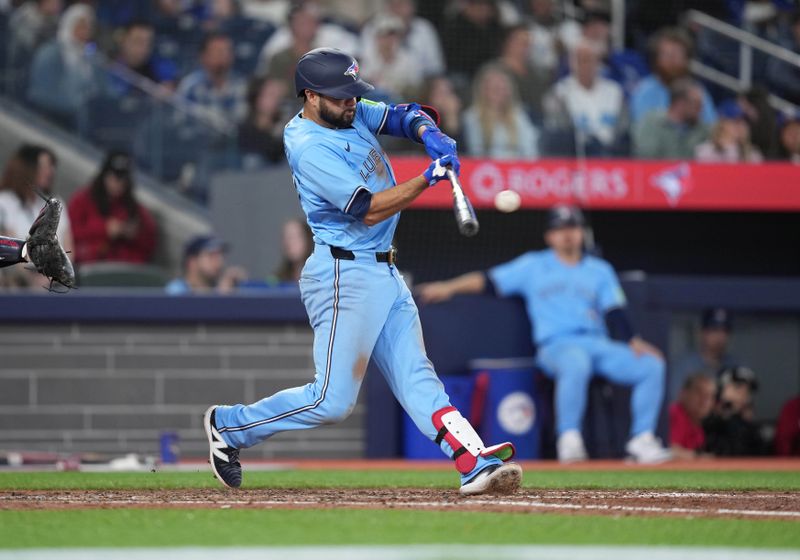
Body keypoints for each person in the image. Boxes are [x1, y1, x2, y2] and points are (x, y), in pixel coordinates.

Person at [203, 47, 522, 495]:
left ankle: (471, 459)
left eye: (353, 95)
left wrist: (429, 132)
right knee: (331, 402)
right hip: (342, 274)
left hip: (383, 269)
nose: (351, 103)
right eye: (340, 96)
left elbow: (401, 115)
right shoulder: (309, 146)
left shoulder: (346, 112)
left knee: (417, 375)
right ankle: (230, 427)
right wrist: (429, 177)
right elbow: (367, 210)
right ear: (310, 97)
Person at [417, 205, 671, 464]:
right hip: (557, 346)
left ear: (582, 232)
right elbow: (488, 281)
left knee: (651, 364)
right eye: (560, 229)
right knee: (576, 361)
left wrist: (634, 341)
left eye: (572, 227)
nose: (567, 234)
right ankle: (569, 438)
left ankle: (642, 439)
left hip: (597, 344)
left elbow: (615, 310)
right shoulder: (534, 265)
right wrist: (448, 287)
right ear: (550, 236)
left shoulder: (599, 269)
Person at [67, 151, 157, 265]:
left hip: (122, 271)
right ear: (104, 176)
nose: (119, 183)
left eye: (123, 179)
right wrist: (104, 228)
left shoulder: (134, 208)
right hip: (86, 269)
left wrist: (133, 234)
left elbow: (149, 244)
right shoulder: (81, 201)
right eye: (115, 177)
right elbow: (68, 233)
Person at [544, 39, 626, 156]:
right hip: (576, 156)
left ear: (598, 62)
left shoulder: (615, 91)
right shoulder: (560, 93)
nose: (586, 66)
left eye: (590, 60)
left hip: (612, 155)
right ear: (572, 63)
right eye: (581, 61)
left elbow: (623, 127)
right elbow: (559, 129)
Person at [27, 3, 98, 128]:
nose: (85, 32)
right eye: (81, 26)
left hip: (71, 122)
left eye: (88, 28)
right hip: (45, 117)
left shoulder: (87, 61)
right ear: (70, 24)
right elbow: (39, 92)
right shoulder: (51, 52)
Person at [630, 28, 717, 125]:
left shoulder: (697, 92)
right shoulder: (645, 90)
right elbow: (642, 129)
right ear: (656, 59)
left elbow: (710, 126)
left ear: (687, 59)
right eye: (667, 55)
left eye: (677, 55)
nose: (672, 61)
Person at [463, 64, 540, 159]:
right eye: (495, 89)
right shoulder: (472, 116)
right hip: (488, 169)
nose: (500, 93)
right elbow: (475, 153)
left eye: (503, 89)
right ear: (483, 90)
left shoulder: (518, 115)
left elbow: (530, 150)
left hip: (517, 169)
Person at [175, 32, 248, 131]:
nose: (224, 56)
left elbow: (244, 123)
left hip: (232, 144)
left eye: (228, 51)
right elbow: (181, 125)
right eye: (218, 51)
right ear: (204, 56)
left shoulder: (241, 85)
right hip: (199, 143)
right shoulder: (191, 86)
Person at [360, 0, 445, 79]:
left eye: (401, 5)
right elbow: (365, 65)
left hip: (418, 87)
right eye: (393, 5)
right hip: (378, 84)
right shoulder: (372, 28)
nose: (397, 10)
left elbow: (435, 69)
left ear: (412, 7)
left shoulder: (424, 29)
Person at [633, 78, 711, 159]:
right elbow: (645, 155)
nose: (701, 109)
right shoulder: (652, 123)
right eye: (697, 104)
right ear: (680, 103)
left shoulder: (703, 129)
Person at [670, 308, 737, 401]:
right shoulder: (684, 366)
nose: (720, 336)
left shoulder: (734, 365)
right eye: (714, 330)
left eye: (725, 331)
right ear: (702, 333)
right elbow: (675, 403)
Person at [703, 365, 766, 456]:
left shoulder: (751, 429)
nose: (743, 394)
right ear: (721, 389)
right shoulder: (705, 421)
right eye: (737, 387)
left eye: (748, 390)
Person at [359, 14, 423, 100]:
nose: (389, 40)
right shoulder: (368, 58)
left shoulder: (408, 59)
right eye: (384, 35)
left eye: (392, 35)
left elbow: (414, 86)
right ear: (377, 37)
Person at [441, 0, 506, 81]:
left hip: (488, 71)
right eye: (479, 7)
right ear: (469, 7)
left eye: (486, 7)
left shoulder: (494, 26)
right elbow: (453, 58)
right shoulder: (456, 26)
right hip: (462, 72)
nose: (483, 11)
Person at [496, 24, 550, 117]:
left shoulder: (534, 72)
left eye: (528, 44)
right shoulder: (495, 70)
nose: (526, 48)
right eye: (522, 43)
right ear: (508, 43)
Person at [165, 235, 247, 294]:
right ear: (192, 262)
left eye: (221, 256)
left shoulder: (220, 288)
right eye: (211, 255)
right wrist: (221, 296)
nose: (220, 261)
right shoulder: (176, 290)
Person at [238, 76, 290, 168]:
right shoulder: (245, 132)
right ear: (257, 99)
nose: (277, 99)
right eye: (271, 95)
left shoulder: (286, 129)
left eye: (278, 96)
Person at [695, 100, 763, 163]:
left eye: (743, 121)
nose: (740, 126)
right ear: (722, 123)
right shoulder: (706, 151)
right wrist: (727, 148)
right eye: (735, 121)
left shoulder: (752, 154)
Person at [669, 374, 716, 459]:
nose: (704, 400)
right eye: (699, 393)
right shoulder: (675, 414)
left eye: (709, 396)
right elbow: (669, 450)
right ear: (683, 394)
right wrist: (698, 458)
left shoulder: (698, 424)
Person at [273, 217, 313, 284]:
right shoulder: (276, 279)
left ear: (307, 239)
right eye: (286, 237)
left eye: (295, 237)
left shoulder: (321, 276)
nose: (289, 242)